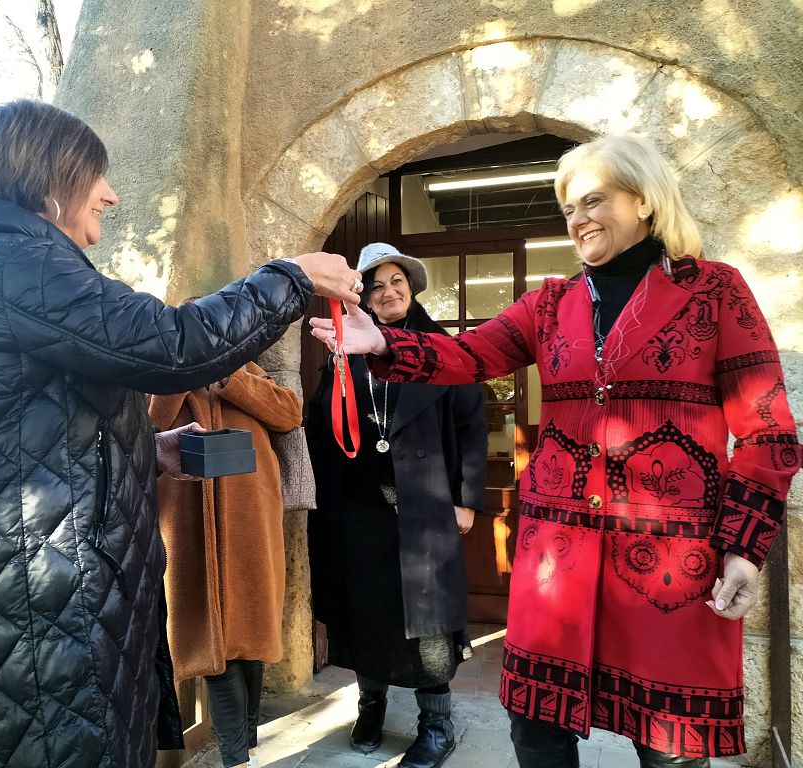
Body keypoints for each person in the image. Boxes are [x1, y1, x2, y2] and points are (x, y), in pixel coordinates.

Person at [0, 98, 363, 768]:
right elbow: (173, 344)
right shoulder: (14, 265)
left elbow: (35, 441)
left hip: (49, 594)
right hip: (41, 609)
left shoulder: (4, 265)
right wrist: (291, 278)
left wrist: (146, 450)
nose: (111, 196)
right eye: (97, 176)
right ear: (51, 177)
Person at [310, 134, 801, 767]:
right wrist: (380, 344)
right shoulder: (550, 304)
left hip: (672, 565)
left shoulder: (715, 291)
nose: (577, 219)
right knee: (535, 730)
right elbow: (468, 355)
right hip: (556, 565)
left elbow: (768, 433)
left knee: (670, 746)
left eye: (593, 200)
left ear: (646, 201)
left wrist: (745, 549)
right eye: (568, 207)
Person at [306, 243, 487, 768]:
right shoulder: (346, 350)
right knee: (367, 611)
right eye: (376, 285)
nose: (387, 292)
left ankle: (436, 724)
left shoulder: (441, 348)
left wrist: (467, 498)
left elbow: (473, 426)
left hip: (426, 501)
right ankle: (371, 707)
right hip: (360, 506)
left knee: (428, 622)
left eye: (396, 282)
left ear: (412, 287)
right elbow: (322, 424)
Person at [148, 358, 302, 768]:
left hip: (250, 521)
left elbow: (288, 413)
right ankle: (238, 758)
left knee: (249, 634)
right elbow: (150, 424)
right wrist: (179, 374)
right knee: (212, 640)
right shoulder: (159, 373)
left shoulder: (245, 369)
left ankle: (246, 746)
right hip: (188, 523)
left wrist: (229, 378)